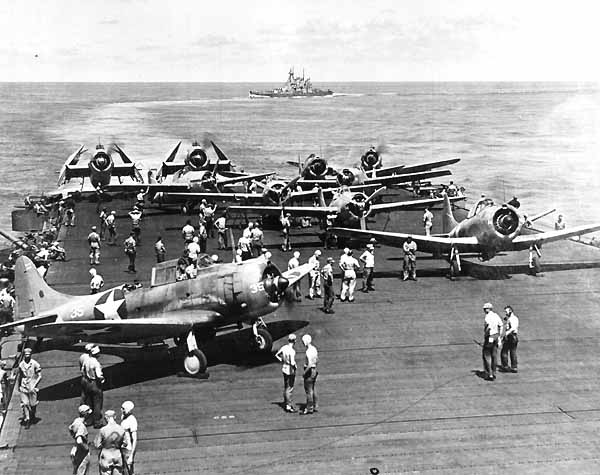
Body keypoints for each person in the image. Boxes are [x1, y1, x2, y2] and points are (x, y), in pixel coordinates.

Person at [94, 409, 125, 475]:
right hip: (117, 454)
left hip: (106, 455)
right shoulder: (121, 429)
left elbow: (97, 445)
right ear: (115, 417)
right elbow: (125, 443)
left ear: (106, 418)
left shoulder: (103, 430)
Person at [17, 347, 42, 428]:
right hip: (23, 386)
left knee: (33, 404)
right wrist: (19, 386)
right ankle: (27, 419)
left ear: (31, 355)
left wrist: (35, 384)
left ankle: (33, 415)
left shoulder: (35, 363)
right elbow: (20, 376)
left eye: (28, 355)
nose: (27, 356)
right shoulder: (21, 364)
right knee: (25, 404)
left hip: (32, 386)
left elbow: (39, 376)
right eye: (26, 355)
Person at [83, 346, 105, 428]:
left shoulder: (87, 361)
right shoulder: (96, 363)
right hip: (95, 383)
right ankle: (97, 422)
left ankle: (89, 420)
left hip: (87, 382)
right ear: (97, 354)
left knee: (89, 402)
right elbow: (99, 375)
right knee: (97, 404)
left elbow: (83, 370)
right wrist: (102, 381)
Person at [275, 334, 297, 413]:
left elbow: (277, 354)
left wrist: (281, 360)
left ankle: (286, 401)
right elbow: (292, 362)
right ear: (294, 341)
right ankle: (288, 405)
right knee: (289, 388)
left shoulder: (284, 347)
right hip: (290, 370)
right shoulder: (292, 351)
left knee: (286, 386)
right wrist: (295, 368)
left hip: (284, 368)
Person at [482, 302, 503, 381]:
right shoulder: (496, 315)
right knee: (494, 355)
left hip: (489, 337)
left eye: (485, 309)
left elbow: (488, 328)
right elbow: (501, 325)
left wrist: (486, 334)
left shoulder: (487, 317)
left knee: (487, 355)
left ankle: (489, 373)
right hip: (496, 336)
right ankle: (494, 372)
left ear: (487, 309)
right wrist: (499, 336)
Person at [69, 404, 92, 475]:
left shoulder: (76, 421)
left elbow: (70, 428)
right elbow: (79, 441)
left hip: (75, 450)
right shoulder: (81, 426)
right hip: (81, 452)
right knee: (81, 472)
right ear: (85, 414)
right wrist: (86, 448)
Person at [300, 334, 318, 415]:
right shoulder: (314, 349)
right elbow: (317, 359)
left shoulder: (308, 351)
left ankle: (309, 408)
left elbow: (309, 364)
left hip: (309, 371)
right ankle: (315, 405)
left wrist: (304, 373)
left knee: (308, 391)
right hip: (314, 370)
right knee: (313, 389)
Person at [120, 401, 138, 475]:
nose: (121, 410)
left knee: (129, 471)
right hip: (122, 448)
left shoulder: (132, 420)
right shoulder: (124, 417)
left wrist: (131, 456)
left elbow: (134, 439)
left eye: (123, 408)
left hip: (128, 450)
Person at [500, 305, 519, 373]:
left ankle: (505, 366)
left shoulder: (513, 319)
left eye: (506, 311)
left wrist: (506, 333)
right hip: (512, 337)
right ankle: (514, 367)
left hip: (511, 337)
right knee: (512, 351)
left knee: (505, 351)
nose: (505, 313)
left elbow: (513, 328)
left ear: (510, 311)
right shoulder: (509, 318)